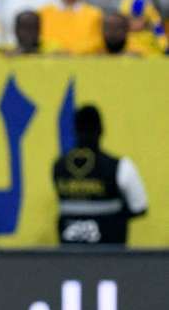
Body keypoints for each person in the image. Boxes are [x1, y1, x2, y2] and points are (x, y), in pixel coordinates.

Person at [53, 105, 147, 245]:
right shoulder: (120, 166)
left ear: (74, 131)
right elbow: (139, 207)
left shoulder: (58, 167)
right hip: (110, 253)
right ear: (101, 130)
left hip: (70, 253)